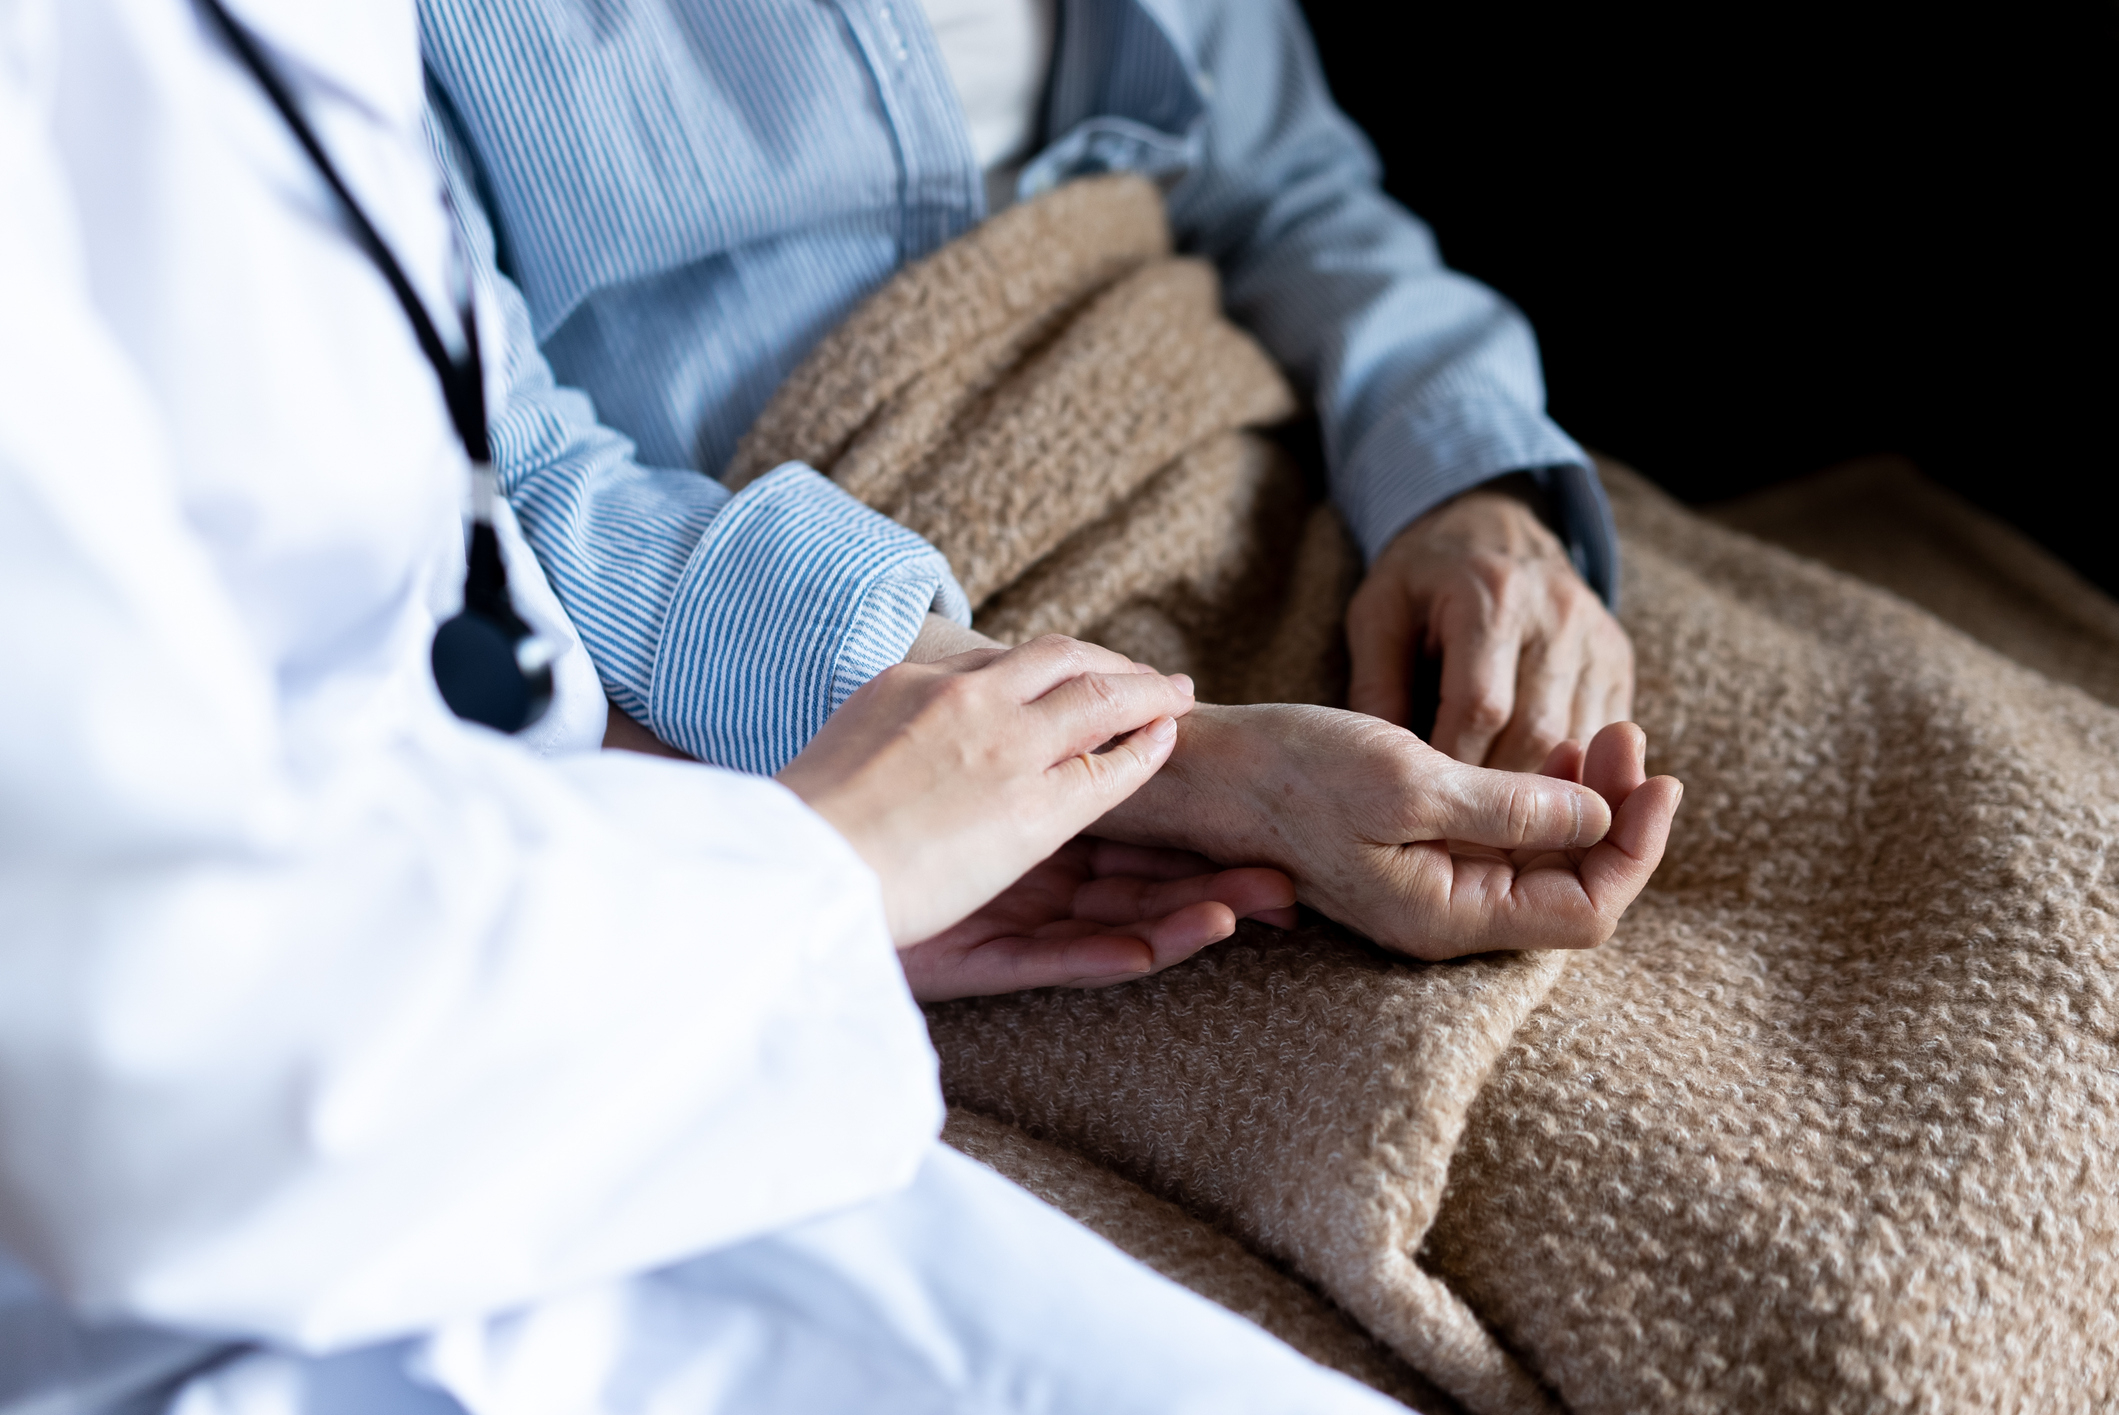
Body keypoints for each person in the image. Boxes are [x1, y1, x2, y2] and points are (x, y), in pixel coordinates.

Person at [0, 1, 1678, 1412]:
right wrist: (828, 848)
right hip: (810, 669)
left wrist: (1467, 481)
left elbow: (1282, 179)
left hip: (1105, 560)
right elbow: (165, 1064)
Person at [416, 0, 1645, 957]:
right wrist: (1170, 770)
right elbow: (475, 461)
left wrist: (1471, 495)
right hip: (841, 666)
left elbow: (1284, 192)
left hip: (1281, 472)